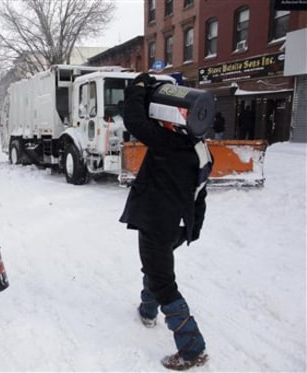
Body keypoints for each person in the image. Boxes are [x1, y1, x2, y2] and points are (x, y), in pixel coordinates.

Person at [119, 73, 213, 370]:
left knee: (163, 280)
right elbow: (200, 194)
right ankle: (147, 311)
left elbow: (134, 121)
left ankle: (191, 347)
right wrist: (192, 229)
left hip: (157, 222)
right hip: (177, 224)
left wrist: (136, 90)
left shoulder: (169, 143)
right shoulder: (200, 148)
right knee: (156, 265)